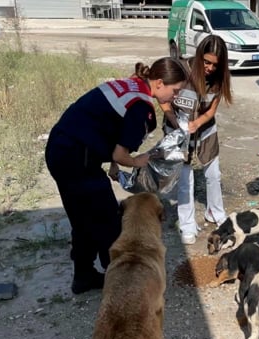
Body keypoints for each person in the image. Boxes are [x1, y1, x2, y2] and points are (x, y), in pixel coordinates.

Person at [45, 58, 187, 294]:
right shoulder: (142, 108)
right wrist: (136, 161)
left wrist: (112, 164)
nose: (175, 97)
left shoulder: (133, 85)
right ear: (160, 83)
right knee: (109, 219)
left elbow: (112, 125)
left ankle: (84, 276)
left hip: (61, 149)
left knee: (82, 217)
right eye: (175, 91)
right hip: (76, 158)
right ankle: (121, 282)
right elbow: (122, 153)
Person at [160, 35, 233, 245]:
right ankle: (187, 225)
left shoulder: (219, 79)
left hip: (204, 131)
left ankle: (216, 213)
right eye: (206, 62)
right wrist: (175, 121)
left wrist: (197, 123)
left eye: (215, 65)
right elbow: (163, 99)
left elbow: (211, 112)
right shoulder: (180, 70)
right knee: (185, 181)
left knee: (214, 175)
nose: (209, 68)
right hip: (178, 132)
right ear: (199, 55)